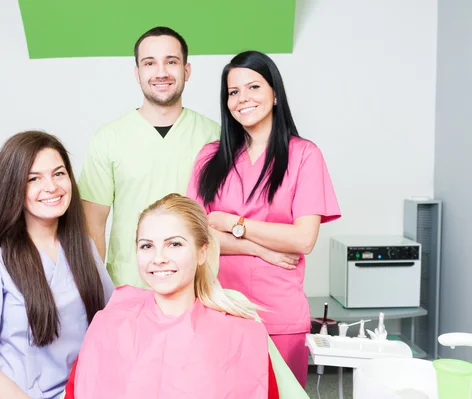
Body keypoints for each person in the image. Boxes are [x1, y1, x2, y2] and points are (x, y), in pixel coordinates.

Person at [187, 51, 341, 387]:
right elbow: (194, 238)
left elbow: (303, 240)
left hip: (279, 313)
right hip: (218, 307)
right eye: (233, 92)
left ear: (275, 93)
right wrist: (263, 250)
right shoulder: (209, 158)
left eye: (253, 87)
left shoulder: (304, 156)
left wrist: (231, 222)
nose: (243, 98)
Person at [0, 131, 115, 399]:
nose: (52, 187)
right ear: (13, 187)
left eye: (59, 173)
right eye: (34, 178)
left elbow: (111, 321)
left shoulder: (82, 247)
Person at [64, 193, 279, 399]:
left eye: (174, 244)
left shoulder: (240, 335)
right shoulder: (108, 325)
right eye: (147, 246)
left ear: (202, 252)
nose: (158, 258)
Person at [78, 26, 220, 288]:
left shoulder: (215, 137)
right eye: (150, 63)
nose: (161, 72)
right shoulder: (108, 138)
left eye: (171, 61)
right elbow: (92, 227)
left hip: (198, 289)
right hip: (128, 287)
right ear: (137, 73)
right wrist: (98, 293)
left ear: (186, 71)